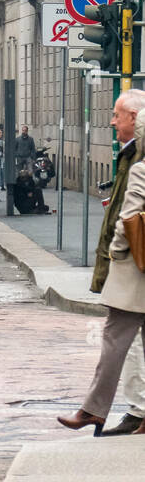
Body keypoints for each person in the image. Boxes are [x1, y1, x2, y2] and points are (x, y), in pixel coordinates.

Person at [86, 89, 145, 435]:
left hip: (134, 263)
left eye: (117, 115)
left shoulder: (138, 161)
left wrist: (116, 253)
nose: (112, 122)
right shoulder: (130, 155)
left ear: (135, 120)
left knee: (121, 336)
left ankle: (116, 410)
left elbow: (129, 216)